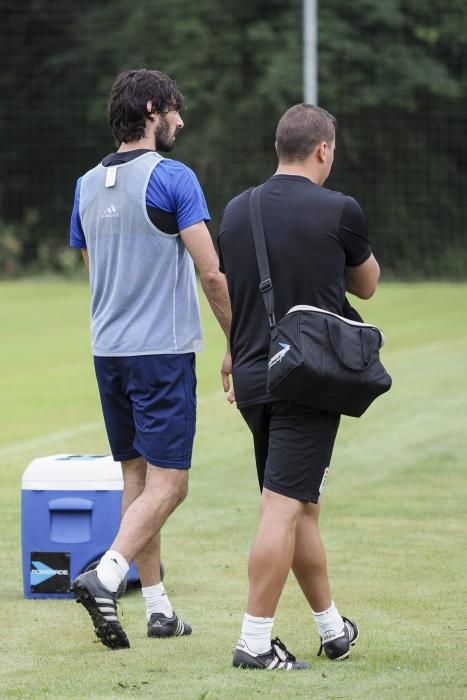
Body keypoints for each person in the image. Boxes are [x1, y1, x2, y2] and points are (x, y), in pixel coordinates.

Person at [69, 68, 231, 650]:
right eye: (176, 111)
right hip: (160, 352)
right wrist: (236, 342)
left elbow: (93, 273)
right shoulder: (173, 177)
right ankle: (107, 573)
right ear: (154, 108)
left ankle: (158, 608)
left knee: (136, 477)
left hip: (107, 351)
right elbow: (211, 270)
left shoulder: (85, 185)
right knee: (173, 483)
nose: (181, 122)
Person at [217, 104, 380, 670]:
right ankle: (254, 643)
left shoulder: (237, 212)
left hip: (254, 377)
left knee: (300, 503)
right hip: (308, 379)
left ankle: (333, 630)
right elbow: (369, 284)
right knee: (281, 507)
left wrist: (232, 351)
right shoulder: (340, 210)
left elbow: (234, 291)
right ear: (323, 150)